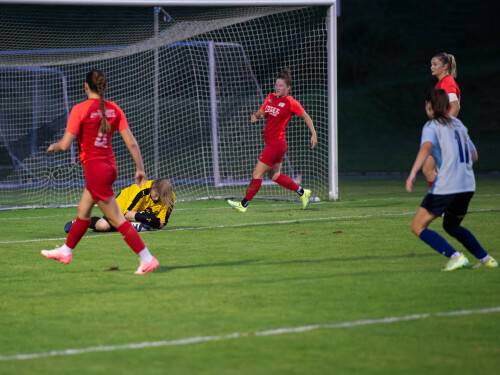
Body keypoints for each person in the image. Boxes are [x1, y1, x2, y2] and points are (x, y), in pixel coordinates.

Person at [42, 69, 159, 275]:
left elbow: (66, 143)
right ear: (105, 87)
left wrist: (54, 146)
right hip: (109, 167)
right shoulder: (114, 109)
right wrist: (139, 168)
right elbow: (131, 142)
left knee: (117, 220)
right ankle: (66, 251)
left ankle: (147, 258)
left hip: (96, 170)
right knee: (83, 211)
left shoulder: (80, 109)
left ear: (85, 86)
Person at [406, 89, 497, 271]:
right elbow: (474, 155)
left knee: (417, 226)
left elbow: (426, 148)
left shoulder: (432, 126)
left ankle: (456, 256)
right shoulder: (458, 124)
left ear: (430, 106)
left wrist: (413, 172)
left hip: (448, 185)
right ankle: (486, 259)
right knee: (451, 225)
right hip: (468, 185)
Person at [227, 68, 317, 212]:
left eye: (281, 85)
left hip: (277, 143)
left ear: (288, 88)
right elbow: (262, 112)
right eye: (276, 85)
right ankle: (303, 192)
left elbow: (306, 116)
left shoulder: (291, 102)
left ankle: (243, 204)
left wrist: (314, 134)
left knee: (257, 174)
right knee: (275, 175)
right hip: (272, 143)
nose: (278, 88)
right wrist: (256, 116)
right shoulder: (270, 97)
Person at [64, 178, 175, 233]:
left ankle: (127, 225)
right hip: (123, 202)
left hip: (139, 212)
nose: (156, 198)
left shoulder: (169, 199)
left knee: (142, 224)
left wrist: (154, 222)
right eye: (155, 194)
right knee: (103, 226)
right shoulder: (141, 190)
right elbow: (127, 214)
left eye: (159, 197)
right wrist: (147, 219)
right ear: (152, 187)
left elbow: (161, 224)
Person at [423, 52, 461, 188]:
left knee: (429, 170)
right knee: (431, 170)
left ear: (445, 66)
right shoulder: (441, 83)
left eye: (435, 64)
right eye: (431, 65)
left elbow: (455, 106)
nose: (431, 67)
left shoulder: (447, 82)